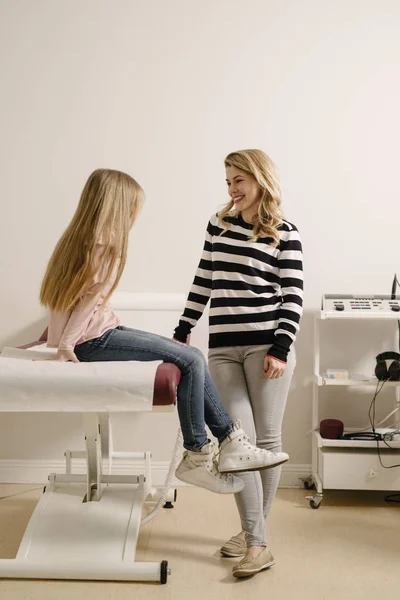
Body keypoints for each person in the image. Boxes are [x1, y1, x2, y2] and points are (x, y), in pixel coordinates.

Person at [39, 168, 289, 499]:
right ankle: (201, 453)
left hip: (95, 334)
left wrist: (58, 340)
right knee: (192, 358)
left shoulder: (77, 240)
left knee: (189, 361)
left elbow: (72, 301)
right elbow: (88, 301)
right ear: (120, 207)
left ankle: (225, 445)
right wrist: (66, 346)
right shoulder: (109, 245)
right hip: (92, 339)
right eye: (134, 209)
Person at [173, 149, 303, 577]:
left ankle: (255, 539)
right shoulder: (218, 225)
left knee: (264, 441)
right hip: (224, 348)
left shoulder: (285, 233)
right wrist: (183, 329)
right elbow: (203, 279)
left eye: (239, 181)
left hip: (268, 347)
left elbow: (293, 297)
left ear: (260, 181)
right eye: (228, 181)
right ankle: (257, 537)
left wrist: (280, 349)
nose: (231, 189)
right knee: (238, 444)